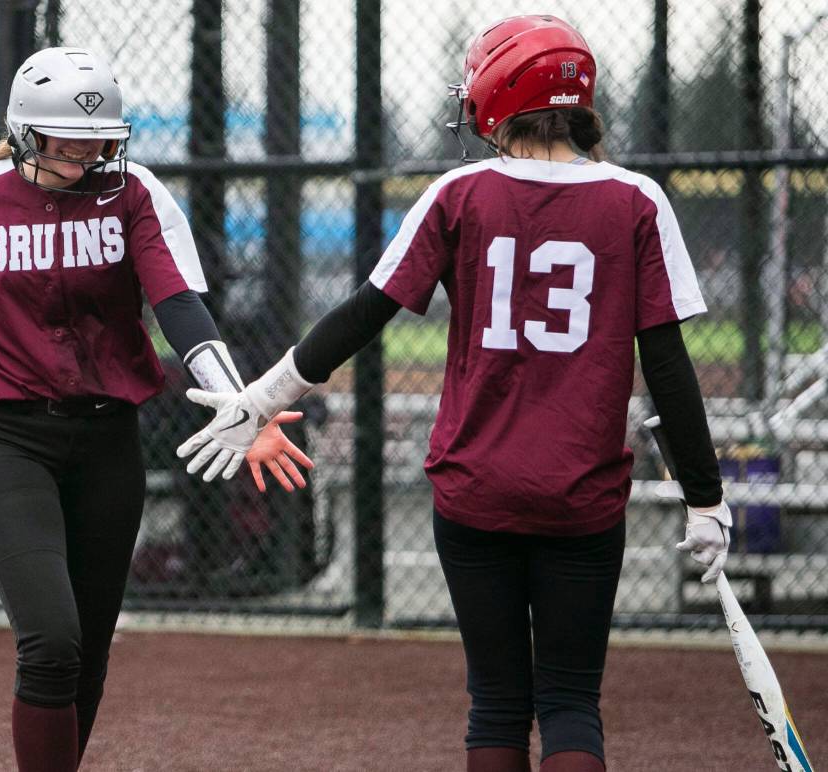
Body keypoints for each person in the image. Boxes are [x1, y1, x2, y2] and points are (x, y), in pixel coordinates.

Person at [177, 16, 730, 772]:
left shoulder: (460, 193)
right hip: (581, 491)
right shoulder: (636, 200)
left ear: (497, 93)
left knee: (497, 704)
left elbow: (360, 317)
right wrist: (706, 496)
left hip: (474, 487)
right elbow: (668, 367)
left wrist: (263, 397)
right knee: (570, 704)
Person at [0, 47, 311, 771]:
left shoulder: (135, 193)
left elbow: (180, 308)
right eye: (71, 139)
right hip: (3, 439)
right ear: (25, 134)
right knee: (50, 640)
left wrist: (243, 405)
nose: (91, 151)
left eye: (101, 138)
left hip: (108, 440)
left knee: (86, 648)